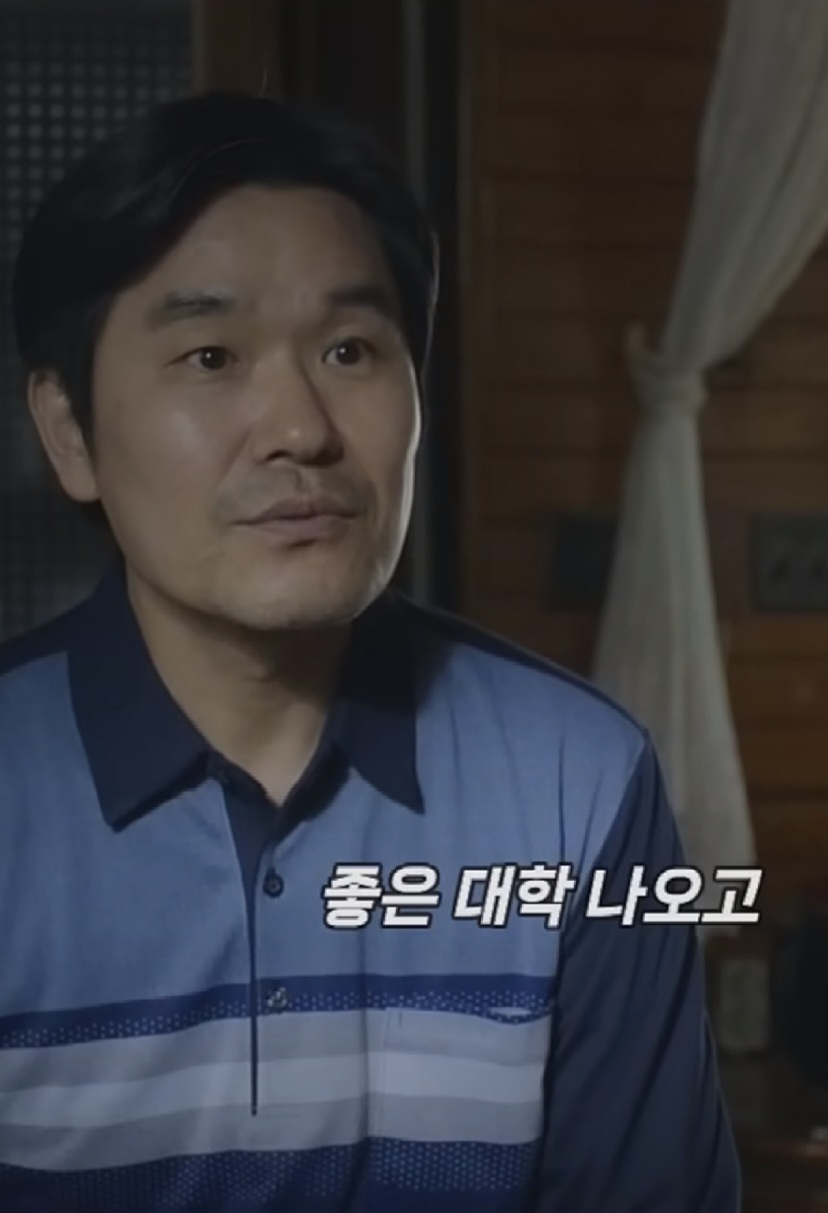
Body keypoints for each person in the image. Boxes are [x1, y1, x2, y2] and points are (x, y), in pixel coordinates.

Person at [0, 91, 742, 1213]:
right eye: (211, 355)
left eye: (350, 349)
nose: (302, 428)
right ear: (70, 433)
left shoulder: (578, 783)